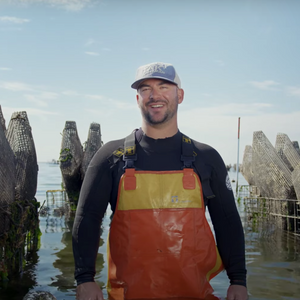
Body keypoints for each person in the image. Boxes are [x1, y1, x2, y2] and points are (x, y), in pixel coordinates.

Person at [72, 62, 248, 300]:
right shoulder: (110, 158)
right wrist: (85, 278)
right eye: (146, 89)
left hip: (194, 294)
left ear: (180, 95)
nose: (154, 95)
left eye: (164, 87)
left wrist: (238, 280)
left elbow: (227, 222)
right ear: (137, 99)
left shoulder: (206, 158)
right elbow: (87, 218)